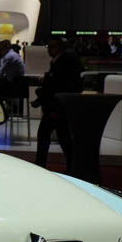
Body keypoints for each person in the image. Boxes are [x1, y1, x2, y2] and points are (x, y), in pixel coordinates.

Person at [33, 36, 83, 169]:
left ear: (60, 47)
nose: (49, 49)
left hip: (56, 106)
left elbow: (57, 86)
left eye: (53, 46)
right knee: (62, 136)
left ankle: (41, 164)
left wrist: (53, 108)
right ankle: (72, 165)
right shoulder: (61, 60)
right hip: (58, 105)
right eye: (49, 46)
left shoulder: (63, 61)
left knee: (47, 135)